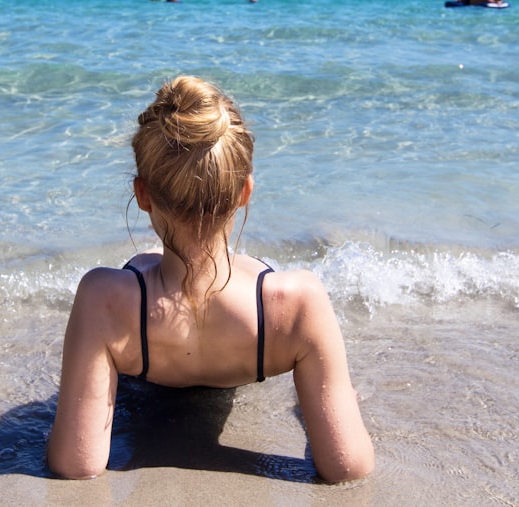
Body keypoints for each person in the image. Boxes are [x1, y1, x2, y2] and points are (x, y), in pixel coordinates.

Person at [47, 76, 375, 483]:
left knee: (146, 261)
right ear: (245, 192)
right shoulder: (296, 305)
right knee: (244, 269)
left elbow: (74, 464)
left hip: (147, 341)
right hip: (251, 326)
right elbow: (347, 467)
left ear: (142, 195)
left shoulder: (104, 299)